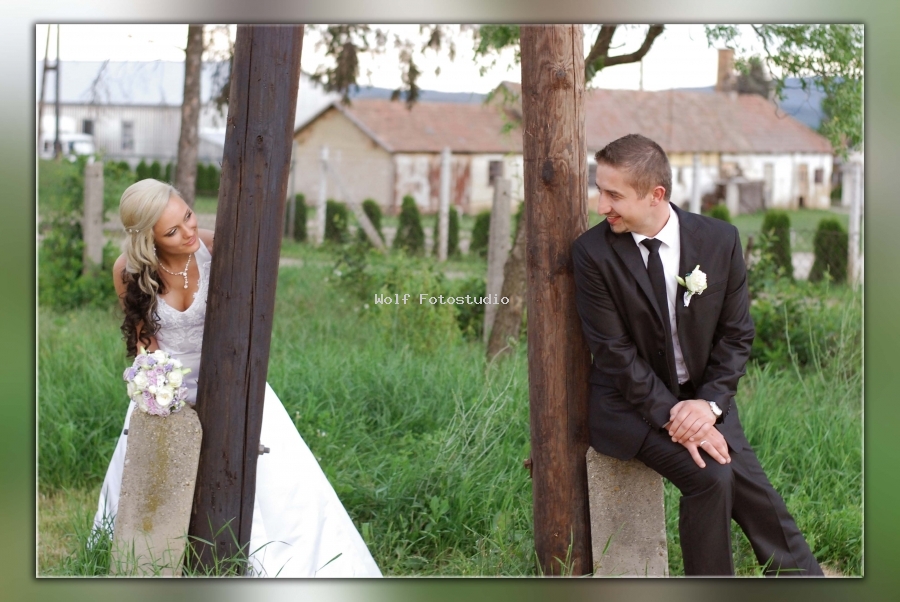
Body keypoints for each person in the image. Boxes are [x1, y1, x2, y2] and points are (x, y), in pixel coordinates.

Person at [92, 179, 382, 578]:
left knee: (275, 482)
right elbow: (146, 345)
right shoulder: (128, 271)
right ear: (148, 240)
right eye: (172, 231)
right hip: (166, 391)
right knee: (154, 486)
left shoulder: (215, 246)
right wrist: (159, 390)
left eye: (188, 215)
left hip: (230, 382)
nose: (189, 231)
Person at [571, 134, 822, 577]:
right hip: (631, 406)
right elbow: (613, 353)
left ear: (656, 195)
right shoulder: (592, 253)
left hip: (704, 399)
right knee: (712, 476)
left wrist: (708, 406)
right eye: (600, 190)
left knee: (757, 495)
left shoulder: (719, 240)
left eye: (614, 195)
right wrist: (675, 417)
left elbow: (736, 335)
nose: (601, 204)